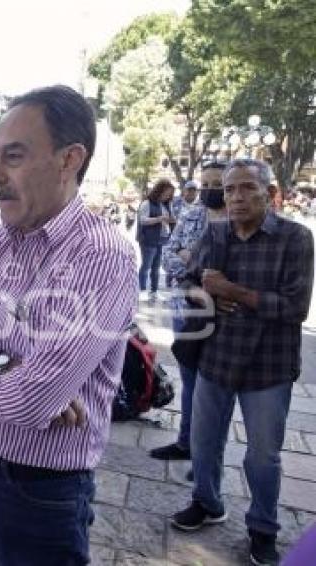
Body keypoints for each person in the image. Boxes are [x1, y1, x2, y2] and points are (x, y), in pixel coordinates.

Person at [0, 85, 137, 566]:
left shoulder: (100, 256)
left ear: (69, 159)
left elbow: (31, 399)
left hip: (39, 497)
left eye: (13, 157)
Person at [170, 159, 314, 566]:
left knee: (262, 455)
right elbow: (188, 277)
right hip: (216, 358)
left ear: (271, 194)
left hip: (268, 366)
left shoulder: (296, 239)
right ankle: (207, 502)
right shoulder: (216, 234)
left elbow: (295, 308)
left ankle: (262, 528)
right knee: (203, 441)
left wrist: (235, 291)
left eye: (247, 188)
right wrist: (207, 293)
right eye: (230, 189)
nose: (235, 197)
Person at [151, 161, 227, 462]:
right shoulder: (193, 214)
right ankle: (186, 442)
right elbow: (168, 255)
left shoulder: (240, 220)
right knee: (190, 381)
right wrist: (192, 262)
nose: (210, 190)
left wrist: (190, 258)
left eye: (217, 184)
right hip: (186, 311)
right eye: (206, 184)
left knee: (216, 391)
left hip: (224, 317)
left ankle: (208, 458)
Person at [137, 179, 177, 301]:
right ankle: (142, 290)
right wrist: (159, 218)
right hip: (148, 240)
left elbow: (171, 219)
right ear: (159, 191)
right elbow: (143, 220)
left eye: (170, 194)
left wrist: (172, 220)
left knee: (156, 267)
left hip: (162, 239)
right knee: (146, 266)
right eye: (166, 193)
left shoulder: (166, 204)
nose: (167, 196)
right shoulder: (147, 203)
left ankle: (154, 291)